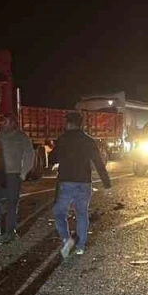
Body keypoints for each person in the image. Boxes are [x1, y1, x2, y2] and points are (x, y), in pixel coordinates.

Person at [50, 110, 111, 257]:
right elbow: (99, 163)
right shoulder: (89, 141)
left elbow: (53, 158)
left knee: (59, 212)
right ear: (80, 124)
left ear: (69, 123)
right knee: (82, 213)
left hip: (66, 182)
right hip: (84, 182)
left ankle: (66, 239)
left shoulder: (63, 139)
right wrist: (107, 184)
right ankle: (80, 247)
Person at [0, 114, 34, 244]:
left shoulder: (21, 137)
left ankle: (10, 231)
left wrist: (24, 173)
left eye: (6, 122)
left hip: (13, 174)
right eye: (3, 122)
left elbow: (29, 154)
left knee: (12, 204)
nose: (3, 124)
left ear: (13, 123)